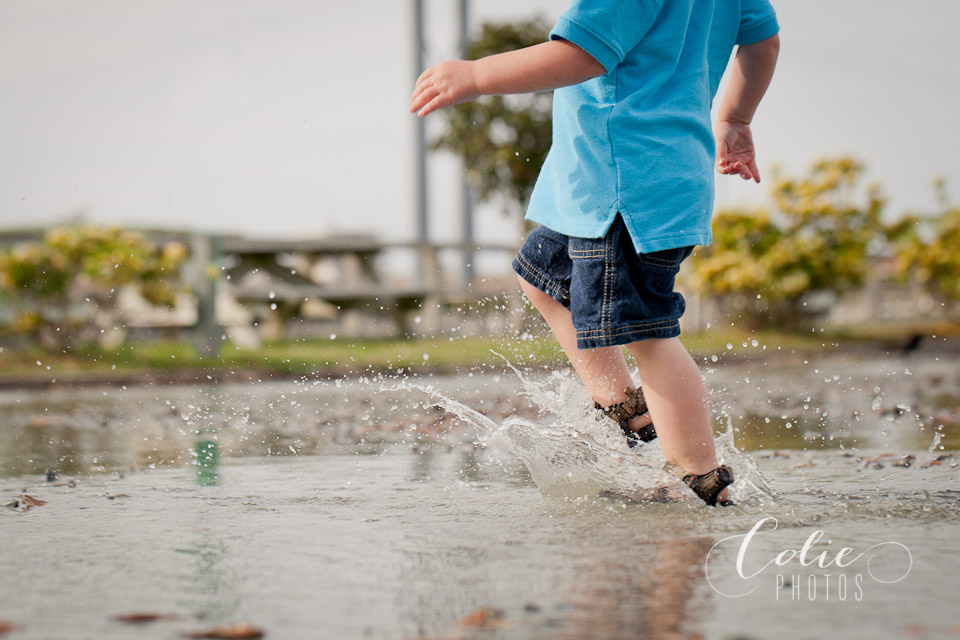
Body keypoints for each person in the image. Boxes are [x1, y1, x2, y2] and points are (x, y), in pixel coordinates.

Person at [410, 0, 779, 506]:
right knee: (539, 274)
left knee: (647, 332)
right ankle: (625, 405)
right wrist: (736, 117)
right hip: (628, 185)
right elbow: (764, 40)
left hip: (622, 188)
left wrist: (475, 76)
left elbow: (583, 56)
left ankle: (700, 478)